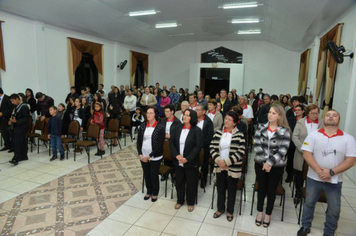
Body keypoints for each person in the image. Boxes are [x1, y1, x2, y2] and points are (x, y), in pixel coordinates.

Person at [297, 109, 356, 236]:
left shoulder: (348, 138)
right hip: (314, 177)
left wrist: (331, 172)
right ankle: (305, 226)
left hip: (335, 180)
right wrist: (320, 172)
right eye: (328, 115)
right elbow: (307, 154)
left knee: (334, 208)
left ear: (339, 120)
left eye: (335, 115)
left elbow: (351, 160)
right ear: (324, 119)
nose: (331, 117)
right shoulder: (313, 135)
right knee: (309, 202)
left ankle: (329, 232)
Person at [254, 104, 290, 228]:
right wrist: (265, 162)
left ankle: (268, 214)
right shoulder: (260, 127)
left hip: (277, 166)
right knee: (261, 188)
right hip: (260, 164)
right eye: (270, 112)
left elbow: (283, 150)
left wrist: (270, 162)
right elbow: (257, 145)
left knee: (271, 190)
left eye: (274, 113)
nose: (270, 115)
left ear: (280, 116)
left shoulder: (285, 131)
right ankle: (259, 212)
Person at [210, 111, 245, 222]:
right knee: (220, 188)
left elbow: (241, 152)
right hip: (219, 166)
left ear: (234, 123)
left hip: (232, 168)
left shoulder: (239, 135)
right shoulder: (218, 133)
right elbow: (212, 147)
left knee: (231, 190)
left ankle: (230, 210)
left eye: (229, 119)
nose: (226, 121)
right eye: (226, 118)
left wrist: (227, 162)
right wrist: (218, 160)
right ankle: (220, 208)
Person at [170, 109, 203, 212]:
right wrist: (177, 156)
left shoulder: (197, 130)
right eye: (184, 115)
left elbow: (198, 147)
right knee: (179, 181)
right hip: (178, 160)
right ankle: (180, 200)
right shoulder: (177, 127)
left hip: (191, 162)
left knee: (191, 183)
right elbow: (172, 143)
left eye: (188, 115)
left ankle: (190, 202)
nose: (185, 117)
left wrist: (187, 159)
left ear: (192, 118)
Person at [292, 104, 323, 205]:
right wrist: (302, 148)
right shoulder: (301, 122)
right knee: (299, 174)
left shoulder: (322, 123)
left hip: (315, 154)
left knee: (312, 174)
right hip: (301, 153)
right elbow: (295, 136)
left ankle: (310, 194)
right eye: (312, 113)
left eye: (316, 113)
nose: (315, 115)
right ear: (308, 113)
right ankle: (298, 192)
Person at [137, 106, 165, 202]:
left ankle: (155, 192)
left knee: (153, 174)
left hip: (155, 156)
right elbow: (138, 142)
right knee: (147, 174)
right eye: (147, 113)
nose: (148, 115)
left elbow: (160, 145)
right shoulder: (143, 126)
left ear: (155, 115)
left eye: (150, 113)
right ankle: (149, 191)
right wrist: (140, 154)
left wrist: (150, 155)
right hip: (143, 155)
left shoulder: (160, 127)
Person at [160, 104, 181, 181]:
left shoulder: (177, 122)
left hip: (173, 143)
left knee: (173, 159)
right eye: (165, 111)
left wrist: (170, 137)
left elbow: (179, 135)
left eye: (167, 111)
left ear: (172, 112)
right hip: (164, 143)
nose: (165, 113)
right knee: (166, 158)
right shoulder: (162, 121)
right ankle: (165, 174)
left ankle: (174, 174)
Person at [196, 104, 214, 188]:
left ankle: (203, 180)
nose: (196, 111)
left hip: (204, 147)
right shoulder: (193, 120)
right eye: (196, 110)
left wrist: (202, 145)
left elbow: (210, 135)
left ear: (203, 112)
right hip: (193, 146)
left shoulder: (208, 121)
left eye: (198, 110)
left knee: (204, 164)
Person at [285, 104, 305, 183]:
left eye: (299, 110)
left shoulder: (305, 121)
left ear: (303, 111)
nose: (297, 112)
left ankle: (298, 176)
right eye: (295, 110)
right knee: (290, 160)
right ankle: (289, 175)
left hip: (302, 143)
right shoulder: (290, 119)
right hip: (292, 142)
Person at [8, 94, 29, 165]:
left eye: (13, 101)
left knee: (17, 143)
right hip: (16, 127)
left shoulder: (24, 107)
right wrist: (11, 120)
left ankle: (16, 158)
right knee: (21, 143)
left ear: (17, 99)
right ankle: (23, 156)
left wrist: (17, 121)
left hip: (21, 127)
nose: (12, 102)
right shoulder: (16, 106)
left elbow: (26, 118)